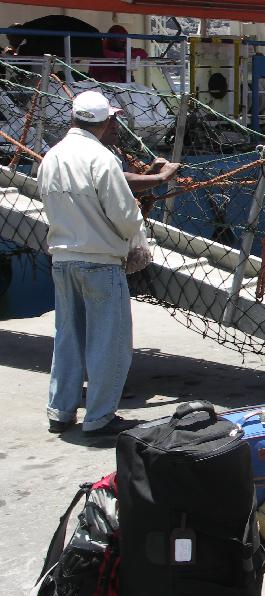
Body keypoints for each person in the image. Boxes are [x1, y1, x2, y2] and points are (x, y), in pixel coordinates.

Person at [36, 91, 145, 436]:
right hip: (99, 261)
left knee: (68, 337)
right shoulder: (102, 159)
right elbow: (124, 215)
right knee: (109, 342)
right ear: (106, 121)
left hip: (63, 259)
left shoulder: (51, 157)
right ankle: (99, 418)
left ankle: (60, 410)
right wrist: (136, 237)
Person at [99, 108, 180, 191]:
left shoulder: (113, 150)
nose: (115, 125)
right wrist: (163, 177)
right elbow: (121, 182)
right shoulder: (93, 155)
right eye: (109, 120)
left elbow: (130, 190)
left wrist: (152, 170)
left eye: (115, 119)